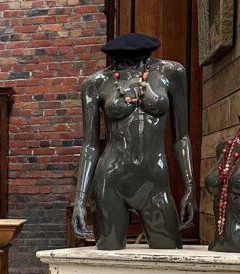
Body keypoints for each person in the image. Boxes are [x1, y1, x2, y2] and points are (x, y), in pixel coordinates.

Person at [72, 32, 196, 250]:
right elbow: (90, 146)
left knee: (168, 255)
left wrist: (190, 188)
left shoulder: (171, 72)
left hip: (154, 181)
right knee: (108, 262)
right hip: (110, 179)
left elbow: (182, 137)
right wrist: (80, 200)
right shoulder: (96, 82)